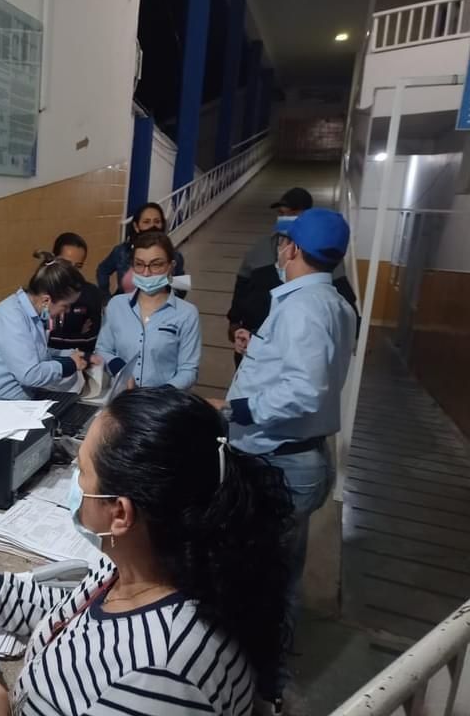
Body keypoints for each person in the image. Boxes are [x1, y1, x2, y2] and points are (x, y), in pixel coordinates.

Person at [0, 387, 293, 716]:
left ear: (120, 513)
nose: (73, 483)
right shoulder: (133, 564)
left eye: (80, 472)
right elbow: (72, 622)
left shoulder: (160, 676)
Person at [209, 208, 357, 708]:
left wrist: (235, 408)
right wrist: (260, 351)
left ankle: (261, 683)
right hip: (297, 457)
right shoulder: (333, 303)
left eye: (284, 242)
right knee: (278, 570)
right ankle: (263, 670)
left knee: (266, 577)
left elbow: (304, 392)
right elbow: (306, 369)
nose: (280, 249)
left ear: (291, 249)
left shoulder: (302, 309)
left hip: (280, 464)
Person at [227, 188, 358, 365]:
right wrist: (235, 321)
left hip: (289, 350)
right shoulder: (260, 248)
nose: (285, 218)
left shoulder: (318, 256)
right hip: (254, 339)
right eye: (281, 213)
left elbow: (303, 384)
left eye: (293, 214)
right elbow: (242, 285)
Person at [0, 252, 97, 400]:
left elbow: (37, 351)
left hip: (18, 398)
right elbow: (29, 375)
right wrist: (68, 365)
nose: (67, 311)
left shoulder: (33, 314)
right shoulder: (11, 316)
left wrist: (75, 354)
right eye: (65, 306)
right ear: (46, 300)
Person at [95, 231, 201, 389]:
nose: (146, 272)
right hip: (122, 398)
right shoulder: (117, 305)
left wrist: (161, 394)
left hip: (162, 404)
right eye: (139, 264)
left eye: (156, 264)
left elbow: (188, 369)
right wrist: (120, 369)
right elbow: (103, 349)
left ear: (171, 266)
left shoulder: (187, 313)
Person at [96, 202, 186, 302]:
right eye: (146, 222)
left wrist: (166, 279)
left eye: (157, 221)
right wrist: (106, 299)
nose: (153, 226)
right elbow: (102, 270)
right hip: (124, 311)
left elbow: (182, 289)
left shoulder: (175, 256)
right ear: (136, 226)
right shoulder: (121, 252)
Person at [46, 232, 103, 354]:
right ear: (53, 260)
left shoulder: (91, 293)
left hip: (80, 363)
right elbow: (40, 342)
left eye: (78, 266)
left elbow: (91, 340)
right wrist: (78, 336)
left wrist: (55, 339)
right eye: (66, 264)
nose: (71, 271)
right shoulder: (43, 291)